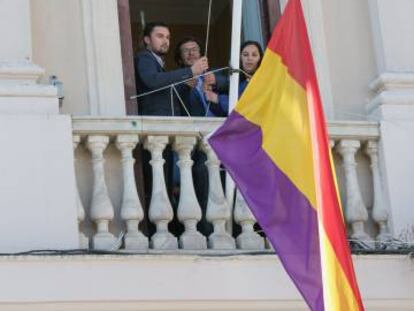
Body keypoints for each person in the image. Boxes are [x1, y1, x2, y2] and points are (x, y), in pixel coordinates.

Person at [134, 22, 209, 116]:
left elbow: (164, 93)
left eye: (168, 37)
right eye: (160, 36)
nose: (165, 41)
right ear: (147, 40)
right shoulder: (145, 57)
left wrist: (184, 85)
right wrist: (190, 71)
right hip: (155, 123)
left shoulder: (157, 61)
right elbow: (153, 80)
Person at [204, 40, 264, 116]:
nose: (249, 58)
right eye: (245, 55)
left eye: (254, 55)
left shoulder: (262, 81)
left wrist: (217, 98)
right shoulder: (239, 80)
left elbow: (243, 107)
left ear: (260, 58)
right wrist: (212, 88)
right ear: (240, 58)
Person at [174, 36, 228, 117]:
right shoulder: (176, 79)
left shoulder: (216, 73)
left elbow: (234, 85)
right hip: (194, 127)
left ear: (201, 55)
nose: (191, 53)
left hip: (222, 124)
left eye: (194, 49)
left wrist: (216, 80)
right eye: (186, 50)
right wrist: (185, 87)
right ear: (180, 59)